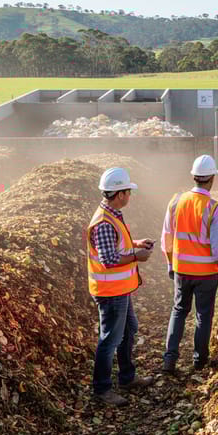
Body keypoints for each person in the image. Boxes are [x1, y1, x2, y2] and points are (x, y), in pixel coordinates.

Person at [88, 167, 155, 406]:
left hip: (120, 290)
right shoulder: (104, 222)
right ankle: (102, 389)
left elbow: (116, 246)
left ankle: (127, 377)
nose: (130, 196)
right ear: (119, 194)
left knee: (129, 330)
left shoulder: (112, 213)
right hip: (110, 292)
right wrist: (137, 256)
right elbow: (108, 259)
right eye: (128, 191)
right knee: (110, 339)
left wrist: (136, 243)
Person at [162, 155, 218, 374]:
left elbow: (167, 238)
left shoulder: (176, 201)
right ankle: (199, 361)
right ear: (212, 178)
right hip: (205, 275)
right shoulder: (214, 209)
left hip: (181, 270)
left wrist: (170, 265)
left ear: (193, 176)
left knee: (178, 311)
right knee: (203, 316)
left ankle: (169, 361)